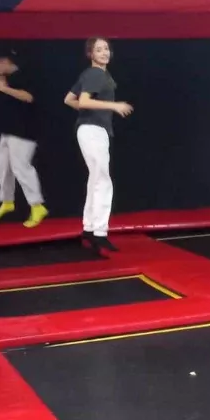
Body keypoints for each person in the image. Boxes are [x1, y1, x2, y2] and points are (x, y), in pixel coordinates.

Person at [65, 37, 133, 256]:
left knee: (96, 179)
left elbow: (69, 99)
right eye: (98, 49)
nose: (104, 52)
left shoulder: (94, 74)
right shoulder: (96, 74)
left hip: (91, 130)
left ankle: (90, 229)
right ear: (90, 54)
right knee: (102, 180)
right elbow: (84, 101)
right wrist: (113, 106)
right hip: (93, 131)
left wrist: (90, 111)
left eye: (106, 49)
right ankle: (99, 232)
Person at [0, 46, 48, 228]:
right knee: (1, 166)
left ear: (5, 61)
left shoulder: (25, 75)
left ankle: (37, 206)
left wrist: (4, 89)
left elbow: (29, 97)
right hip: (8, 130)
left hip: (24, 132)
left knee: (21, 167)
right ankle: (7, 201)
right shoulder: (4, 77)